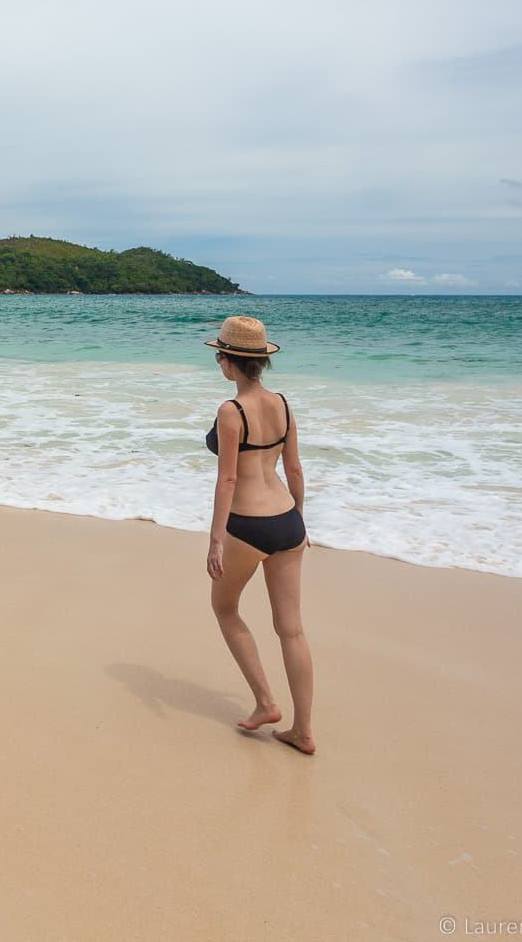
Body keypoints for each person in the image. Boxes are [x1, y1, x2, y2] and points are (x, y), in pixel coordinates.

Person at [203, 315, 315, 755]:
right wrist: (301, 521)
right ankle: (303, 731)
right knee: (292, 630)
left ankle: (267, 703)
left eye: (219, 357)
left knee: (225, 608)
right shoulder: (283, 404)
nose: (219, 363)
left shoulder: (231, 411)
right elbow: (295, 469)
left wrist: (215, 539)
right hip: (287, 519)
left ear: (230, 362)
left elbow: (227, 481)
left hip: (247, 524)